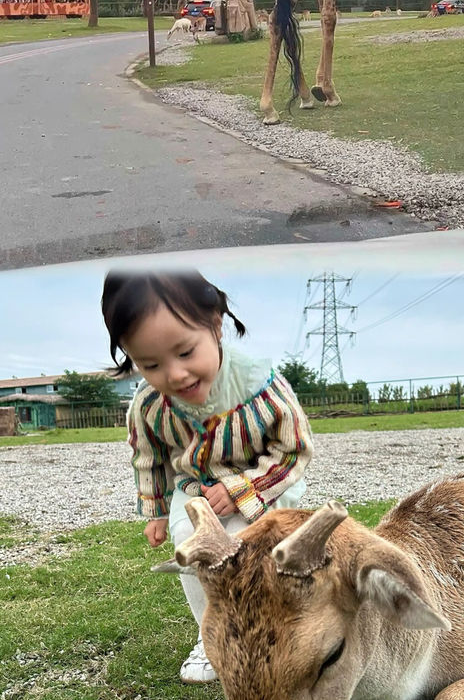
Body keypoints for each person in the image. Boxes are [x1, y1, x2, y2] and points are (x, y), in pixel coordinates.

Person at [101, 269, 314, 684]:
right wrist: (158, 511)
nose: (175, 375)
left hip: (263, 483)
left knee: (252, 543)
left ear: (215, 325)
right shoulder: (149, 406)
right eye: (150, 363)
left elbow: (295, 448)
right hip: (194, 487)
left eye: (185, 352)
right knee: (194, 543)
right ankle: (212, 634)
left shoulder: (260, 386)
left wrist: (242, 489)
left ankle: (276, 626)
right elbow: (150, 457)